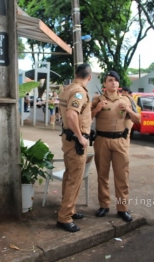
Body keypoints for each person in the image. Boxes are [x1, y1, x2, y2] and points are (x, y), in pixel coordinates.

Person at [91, 71, 141, 223]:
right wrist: (97, 108)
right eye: (110, 80)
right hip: (102, 141)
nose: (113, 83)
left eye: (116, 81)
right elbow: (87, 117)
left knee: (122, 176)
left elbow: (138, 120)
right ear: (104, 84)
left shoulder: (126, 99)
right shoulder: (96, 99)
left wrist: (128, 109)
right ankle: (104, 205)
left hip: (120, 141)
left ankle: (122, 208)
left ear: (119, 84)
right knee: (102, 176)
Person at [56, 63, 92, 233]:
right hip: (75, 141)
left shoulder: (66, 89)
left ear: (75, 73)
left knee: (69, 175)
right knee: (74, 178)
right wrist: (80, 137)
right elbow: (71, 114)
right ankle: (64, 217)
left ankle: (69, 209)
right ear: (89, 77)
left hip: (67, 138)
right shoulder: (79, 92)